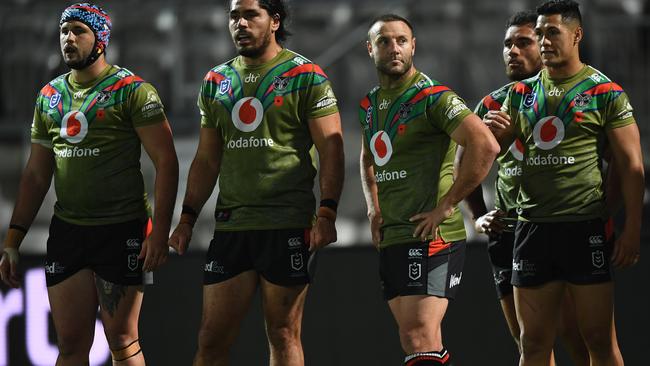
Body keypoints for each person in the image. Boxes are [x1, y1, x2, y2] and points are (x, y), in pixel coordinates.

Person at [0, 3, 178, 365]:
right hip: (68, 233)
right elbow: (36, 175)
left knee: (123, 341)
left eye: (78, 30)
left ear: (100, 39)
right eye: (64, 31)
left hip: (122, 229)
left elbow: (167, 162)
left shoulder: (133, 91)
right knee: (69, 346)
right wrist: (12, 241)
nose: (68, 38)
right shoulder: (49, 97)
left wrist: (160, 232)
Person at [167, 0, 344, 365]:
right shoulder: (216, 81)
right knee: (210, 338)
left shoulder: (306, 75)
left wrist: (327, 212)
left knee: (282, 333)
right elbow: (206, 158)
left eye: (250, 15)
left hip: (287, 222)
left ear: (274, 21)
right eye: (234, 16)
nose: (240, 24)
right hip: (233, 224)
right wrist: (186, 219)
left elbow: (332, 147)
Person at [463, 9, 625, 365]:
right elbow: (467, 167)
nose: (513, 51)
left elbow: (621, 163)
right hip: (512, 232)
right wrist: (479, 217)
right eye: (507, 44)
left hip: (567, 223)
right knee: (529, 342)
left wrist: (605, 213)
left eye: (523, 42)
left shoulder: (581, 93)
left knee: (581, 337)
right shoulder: (492, 103)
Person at [359, 14, 500, 365]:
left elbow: (485, 145)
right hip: (394, 234)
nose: (394, 48)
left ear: (413, 46)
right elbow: (367, 159)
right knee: (417, 340)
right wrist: (374, 209)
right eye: (384, 41)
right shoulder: (370, 103)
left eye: (402, 40)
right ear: (370, 49)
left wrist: (448, 205)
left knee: (418, 333)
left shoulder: (433, 96)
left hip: (433, 234)